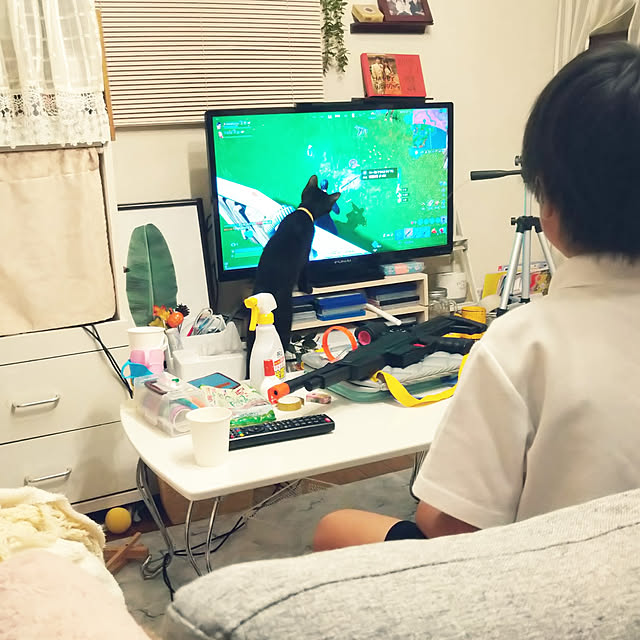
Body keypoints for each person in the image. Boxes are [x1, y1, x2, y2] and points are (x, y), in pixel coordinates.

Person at [313, 42, 640, 551]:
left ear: (548, 199)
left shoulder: (521, 343)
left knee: (333, 528)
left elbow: (448, 525)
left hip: (541, 580)